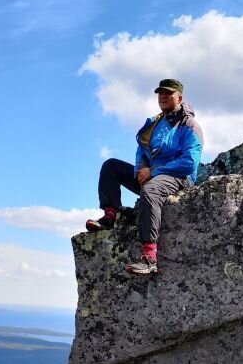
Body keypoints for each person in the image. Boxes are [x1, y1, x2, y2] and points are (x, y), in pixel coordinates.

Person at [85, 78, 203, 275]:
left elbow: (189, 162)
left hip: (179, 177)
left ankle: (149, 257)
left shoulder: (189, 125)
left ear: (179, 97)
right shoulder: (155, 124)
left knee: (150, 191)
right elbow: (142, 150)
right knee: (111, 166)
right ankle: (110, 216)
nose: (163, 97)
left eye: (168, 93)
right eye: (160, 93)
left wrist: (153, 172)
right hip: (151, 175)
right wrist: (141, 170)